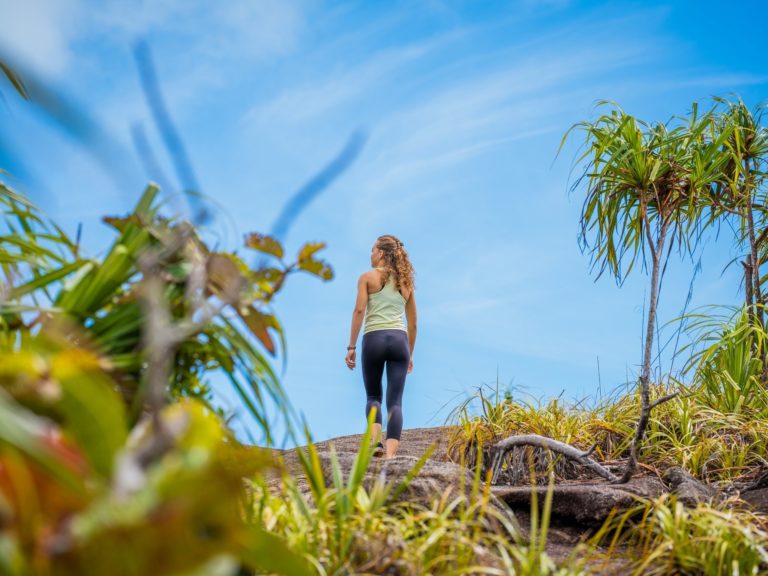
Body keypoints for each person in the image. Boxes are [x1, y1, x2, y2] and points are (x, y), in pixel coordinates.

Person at [345, 234, 417, 459]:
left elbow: (359, 311)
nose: (371, 254)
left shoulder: (367, 278)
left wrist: (351, 346)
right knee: (395, 401)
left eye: (373, 250)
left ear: (382, 253)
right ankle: (390, 456)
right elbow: (413, 324)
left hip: (374, 338)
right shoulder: (406, 283)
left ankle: (376, 444)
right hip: (399, 340)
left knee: (373, 396)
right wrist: (410, 353)